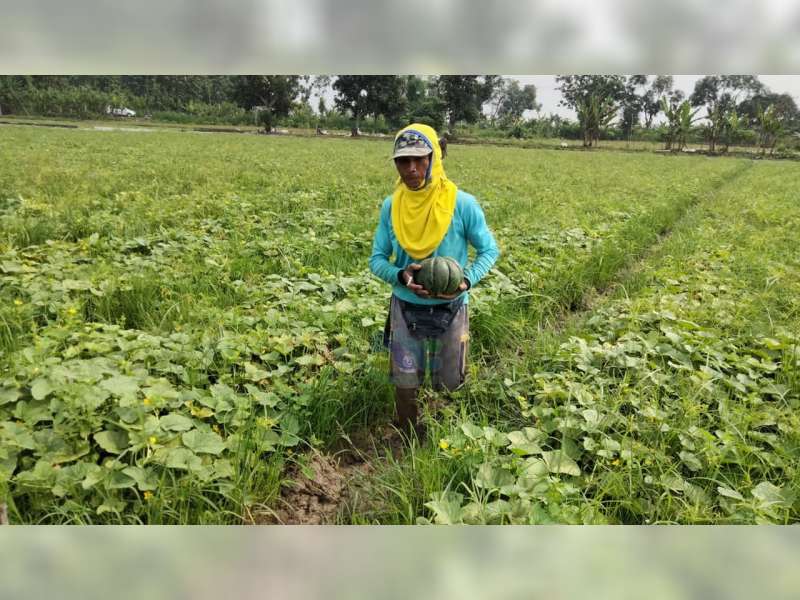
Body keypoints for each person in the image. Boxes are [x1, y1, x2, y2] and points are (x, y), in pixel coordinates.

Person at [369, 123, 500, 439]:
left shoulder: (461, 204)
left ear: (434, 158)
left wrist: (466, 281)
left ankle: (445, 438)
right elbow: (376, 260)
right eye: (403, 161)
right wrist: (400, 275)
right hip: (406, 306)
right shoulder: (392, 206)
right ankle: (408, 435)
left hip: (451, 307)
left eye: (420, 158)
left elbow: (488, 249)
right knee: (404, 378)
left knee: (450, 380)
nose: (411, 168)